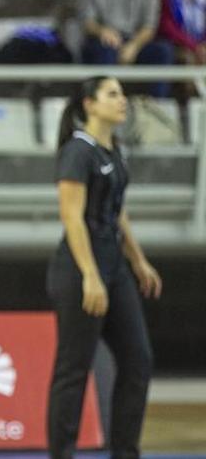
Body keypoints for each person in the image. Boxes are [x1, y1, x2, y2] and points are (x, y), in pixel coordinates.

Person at [47, 77, 161, 459]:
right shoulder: (78, 151)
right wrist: (90, 275)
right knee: (74, 368)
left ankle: (125, 452)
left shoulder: (114, 149)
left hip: (115, 266)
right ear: (90, 104)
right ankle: (61, 453)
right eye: (112, 94)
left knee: (138, 359)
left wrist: (138, 259)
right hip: (81, 268)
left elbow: (118, 211)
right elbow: (71, 216)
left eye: (122, 93)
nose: (122, 100)